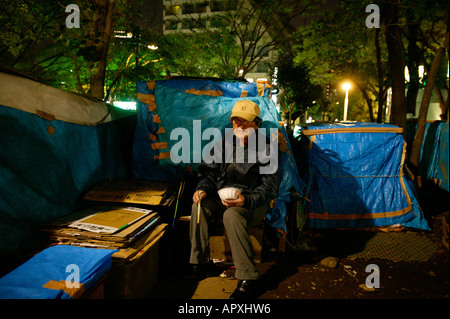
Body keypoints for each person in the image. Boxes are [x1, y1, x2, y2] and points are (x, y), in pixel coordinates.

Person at [189, 99, 280, 299]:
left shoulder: (267, 149)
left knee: (232, 215)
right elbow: (208, 172)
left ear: (257, 124)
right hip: (223, 198)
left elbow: (269, 187)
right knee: (199, 204)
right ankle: (199, 264)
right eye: (236, 121)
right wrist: (203, 188)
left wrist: (246, 201)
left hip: (251, 203)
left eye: (245, 122)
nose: (239, 126)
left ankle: (248, 278)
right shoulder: (223, 143)